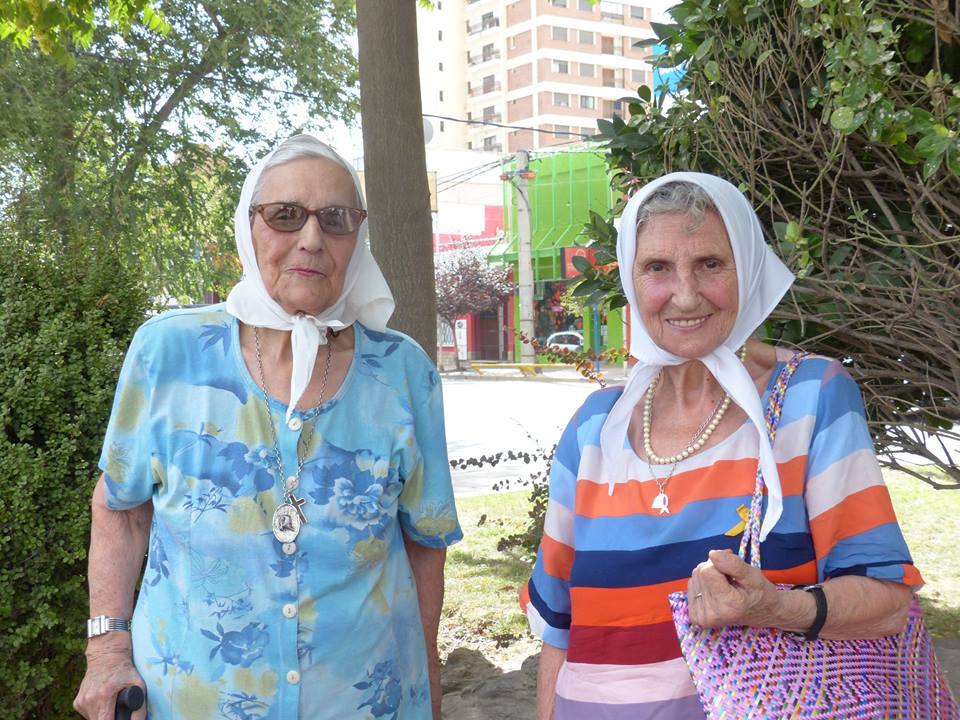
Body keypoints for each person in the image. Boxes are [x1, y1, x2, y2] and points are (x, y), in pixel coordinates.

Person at [73, 134, 462, 720]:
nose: (311, 238)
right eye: (285, 215)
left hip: (366, 702)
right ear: (247, 229)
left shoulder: (404, 371)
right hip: (197, 701)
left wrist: (428, 672)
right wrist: (106, 650)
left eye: (335, 219)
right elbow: (122, 509)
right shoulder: (169, 352)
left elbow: (425, 540)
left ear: (358, 238)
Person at [521, 173, 921, 720]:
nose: (684, 294)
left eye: (710, 264)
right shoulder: (596, 425)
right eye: (657, 267)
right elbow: (557, 628)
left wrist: (775, 608)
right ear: (633, 281)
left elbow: (887, 602)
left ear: (748, 268)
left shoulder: (810, 399)